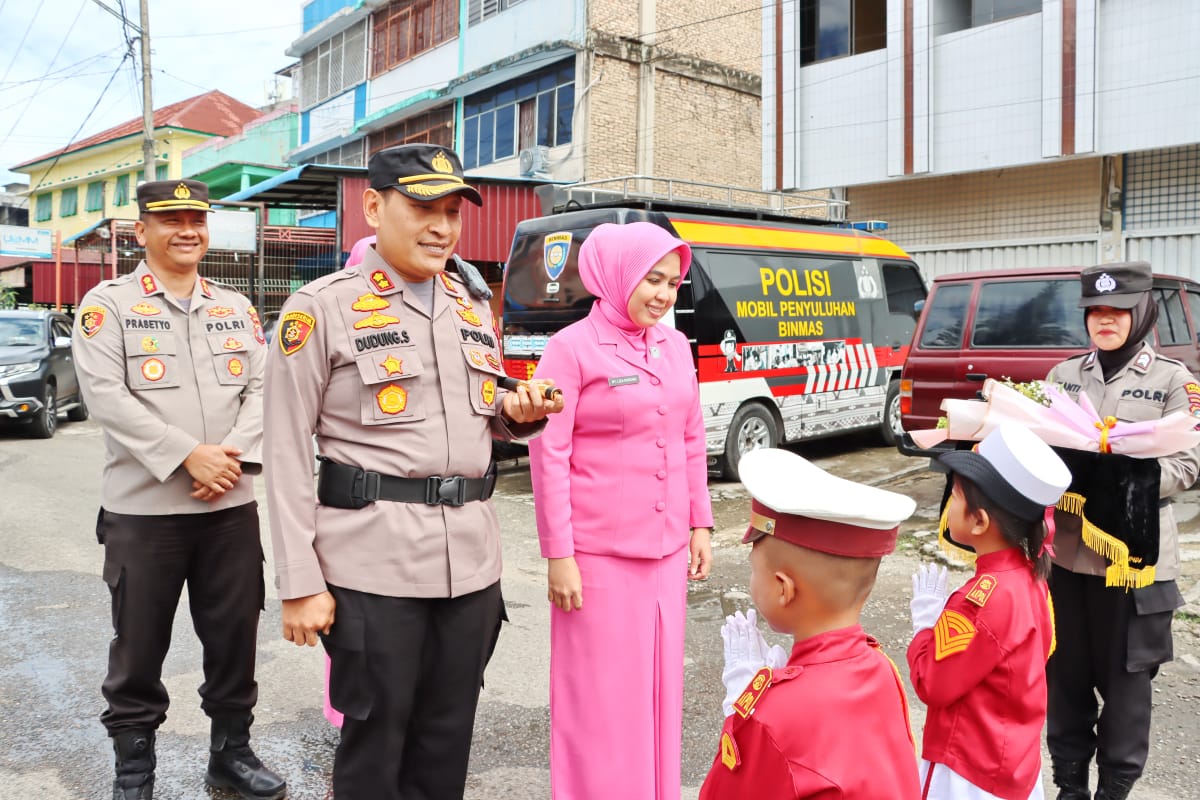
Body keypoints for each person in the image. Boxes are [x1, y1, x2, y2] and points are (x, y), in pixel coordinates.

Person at [263, 143, 563, 800]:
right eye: (424, 207)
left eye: (453, 212)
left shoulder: (469, 303)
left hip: (471, 569)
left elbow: (484, 413)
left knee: (446, 743)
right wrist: (299, 583)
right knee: (376, 749)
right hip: (373, 570)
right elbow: (283, 452)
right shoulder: (321, 308)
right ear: (373, 207)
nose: (442, 227)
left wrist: (517, 412)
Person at [72, 180, 285, 800]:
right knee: (139, 644)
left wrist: (229, 458)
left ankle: (231, 753)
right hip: (145, 512)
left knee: (235, 636)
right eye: (171, 220)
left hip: (229, 507)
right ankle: (134, 770)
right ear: (142, 231)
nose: (187, 230)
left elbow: (262, 388)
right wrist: (188, 456)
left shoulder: (235, 307)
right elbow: (105, 396)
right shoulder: (107, 306)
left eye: (197, 219)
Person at [527, 221, 714, 800]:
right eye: (652, 280)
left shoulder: (674, 346)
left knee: (658, 691)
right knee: (601, 699)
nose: (663, 294)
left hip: (666, 552)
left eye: (673, 284)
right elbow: (549, 454)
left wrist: (700, 522)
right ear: (618, 276)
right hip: (597, 559)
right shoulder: (571, 348)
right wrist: (559, 555)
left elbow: (690, 436)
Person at [1043, 261, 1200, 800]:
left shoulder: (1176, 381)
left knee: (1127, 686)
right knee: (1064, 677)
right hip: (1067, 555)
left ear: (1143, 312)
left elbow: (1188, 464)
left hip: (1134, 561)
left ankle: (1115, 789)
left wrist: (1120, 480)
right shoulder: (1063, 376)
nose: (1105, 320)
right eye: (1095, 311)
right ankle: (1069, 786)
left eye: (1118, 310)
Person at [699, 446, 921, 799]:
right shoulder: (882, 669)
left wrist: (741, 715)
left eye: (754, 570)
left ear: (783, 589)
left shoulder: (772, 715)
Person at [908, 424, 1072, 800]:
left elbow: (932, 683)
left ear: (980, 521)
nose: (948, 505)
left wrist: (925, 627)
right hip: (1011, 763)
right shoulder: (1030, 577)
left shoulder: (980, 600)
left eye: (955, 496)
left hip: (968, 772)